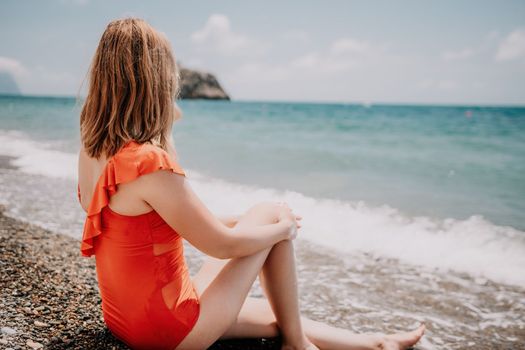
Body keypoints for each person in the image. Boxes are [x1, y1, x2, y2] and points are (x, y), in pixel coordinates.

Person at [76, 17, 425, 350]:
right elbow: (222, 246)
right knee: (271, 214)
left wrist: (248, 223)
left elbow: (151, 227)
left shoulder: (92, 149)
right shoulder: (148, 162)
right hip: (168, 331)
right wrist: (282, 229)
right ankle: (296, 343)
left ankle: (376, 343)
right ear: (156, 81)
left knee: (276, 316)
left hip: (125, 318)